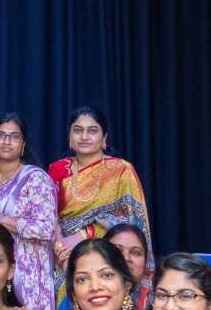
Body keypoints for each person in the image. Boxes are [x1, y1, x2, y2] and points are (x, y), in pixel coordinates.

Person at [0, 117, 57, 310]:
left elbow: (46, 229)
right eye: (1, 135)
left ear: (23, 145)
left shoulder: (36, 179)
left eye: (14, 136)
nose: (7, 141)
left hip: (28, 276)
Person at [46, 106, 149, 258]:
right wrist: (60, 243)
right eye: (77, 130)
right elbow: (47, 213)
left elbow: (132, 220)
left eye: (92, 131)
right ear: (69, 136)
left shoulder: (121, 170)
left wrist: (84, 235)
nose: (84, 136)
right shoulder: (57, 169)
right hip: (60, 252)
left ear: (104, 138)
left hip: (107, 252)